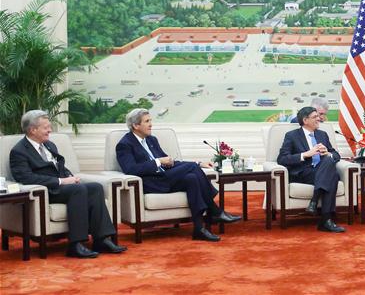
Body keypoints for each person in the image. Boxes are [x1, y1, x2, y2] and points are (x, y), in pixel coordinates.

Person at [9, 110, 126, 258]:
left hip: (63, 187)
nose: (50, 130)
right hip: (46, 191)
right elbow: (26, 178)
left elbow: (60, 167)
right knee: (78, 190)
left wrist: (70, 176)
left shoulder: (49, 145)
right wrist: (61, 181)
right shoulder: (19, 151)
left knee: (95, 187)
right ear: (33, 130)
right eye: (46, 128)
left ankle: (101, 239)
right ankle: (75, 244)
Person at [115, 109, 240, 242]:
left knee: (191, 178)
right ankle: (214, 210)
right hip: (151, 183)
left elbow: (170, 162)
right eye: (147, 121)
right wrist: (158, 161)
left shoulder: (151, 139)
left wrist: (198, 163)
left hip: (165, 177)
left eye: (150, 120)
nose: (151, 124)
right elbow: (131, 169)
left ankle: (199, 229)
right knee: (192, 168)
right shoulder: (124, 144)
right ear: (135, 125)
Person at [277, 106, 345, 233]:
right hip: (304, 172)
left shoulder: (322, 135)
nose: (319, 119)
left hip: (321, 171)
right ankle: (325, 220)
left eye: (318, 116)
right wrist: (306, 154)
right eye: (315, 117)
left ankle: (315, 203)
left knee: (328, 162)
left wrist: (327, 154)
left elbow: (336, 155)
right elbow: (282, 159)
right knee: (333, 176)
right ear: (305, 120)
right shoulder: (292, 136)